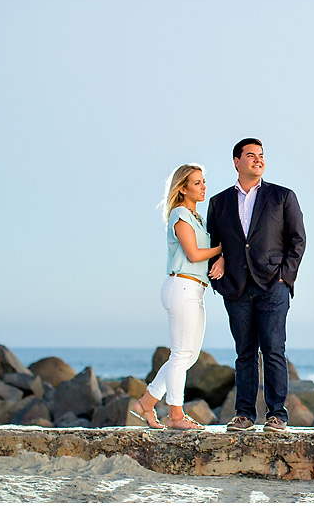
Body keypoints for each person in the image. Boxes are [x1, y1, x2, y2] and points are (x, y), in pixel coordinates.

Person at [207, 138, 306, 433]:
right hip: (236, 287)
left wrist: (284, 277)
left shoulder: (282, 196)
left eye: (261, 155)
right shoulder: (219, 202)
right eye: (250, 155)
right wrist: (221, 265)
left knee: (274, 349)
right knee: (245, 352)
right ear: (236, 161)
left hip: (272, 284)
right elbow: (214, 242)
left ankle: (277, 415)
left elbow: (297, 240)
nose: (258, 160)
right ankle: (244, 415)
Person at [129, 163, 223, 430]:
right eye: (197, 183)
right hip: (181, 287)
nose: (203, 186)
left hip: (194, 289)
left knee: (188, 356)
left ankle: (146, 403)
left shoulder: (197, 218)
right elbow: (193, 254)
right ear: (182, 189)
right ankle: (175, 416)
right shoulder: (180, 214)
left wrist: (221, 256)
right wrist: (221, 248)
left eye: (204, 181)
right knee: (182, 354)